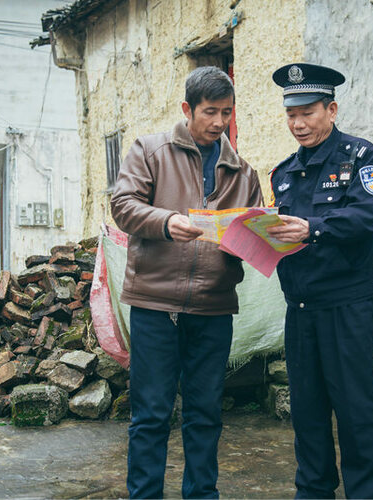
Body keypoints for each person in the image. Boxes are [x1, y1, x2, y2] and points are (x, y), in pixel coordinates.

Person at [110, 66, 263, 499]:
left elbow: (251, 230)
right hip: (156, 305)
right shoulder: (150, 151)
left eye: (227, 113)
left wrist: (255, 241)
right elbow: (123, 204)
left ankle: (201, 494)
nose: (218, 123)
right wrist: (166, 220)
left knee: (206, 413)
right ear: (187, 109)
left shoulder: (243, 172)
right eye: (210, 112)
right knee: (152, 414)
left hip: (214, 308)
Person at [266, 63, 373, 499]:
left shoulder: (361, 158)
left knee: (357, 410)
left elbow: (363, 216)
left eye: (307, 113)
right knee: (307, 411)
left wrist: (311, 229)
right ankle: (313, 492)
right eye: (290, 115)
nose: (298, 124)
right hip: (301, 309)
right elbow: (279, 233)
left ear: (331, 109)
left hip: (348, 305)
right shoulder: (282, 174)